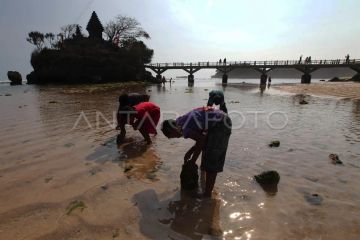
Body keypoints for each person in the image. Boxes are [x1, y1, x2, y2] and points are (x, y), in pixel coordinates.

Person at [161, 107, 232, 197]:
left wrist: (193, 161)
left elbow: (201, 140)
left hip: (220, 124)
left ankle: (207, 194)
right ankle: (203, 171)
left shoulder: (184, 128)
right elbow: (201, 138)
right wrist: (190, 151)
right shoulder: (180, 121)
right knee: (207, 148)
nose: (176, 137)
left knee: (212, 159)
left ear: (173, 130)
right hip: (218, 119)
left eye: (173, 136)